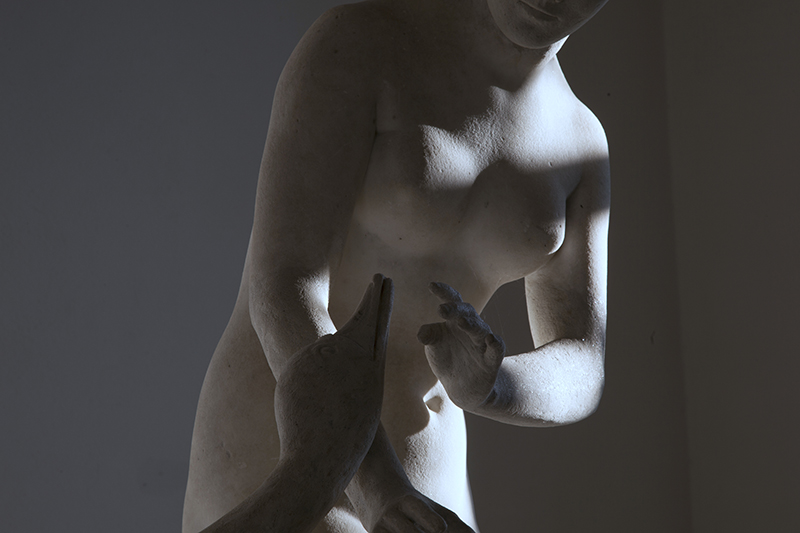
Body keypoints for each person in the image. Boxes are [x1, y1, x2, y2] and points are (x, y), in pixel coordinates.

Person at [183, 1, 611, 532]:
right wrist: (376, 486)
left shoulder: (581, 143)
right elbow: (284, 285)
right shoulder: (364, 44)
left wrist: (493, 384)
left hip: (424, 460)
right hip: (290, 441)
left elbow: (583, 360)